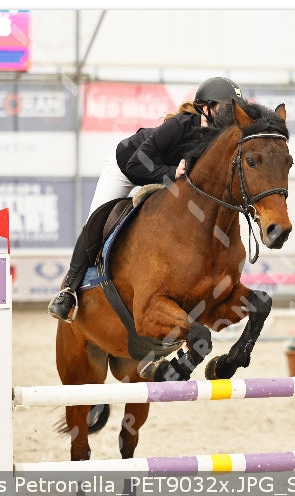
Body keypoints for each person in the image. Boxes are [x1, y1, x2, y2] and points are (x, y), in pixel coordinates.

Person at [48, 76, 243, 322]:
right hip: (127, 166)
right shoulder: (180, 126)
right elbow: (136, 163)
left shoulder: (221, 139)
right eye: (226, 108)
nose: (232, 114)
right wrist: (172, 172)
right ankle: (69, 291)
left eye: (234, 108)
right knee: (97, 220)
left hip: (166, 178)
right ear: (205, 108)